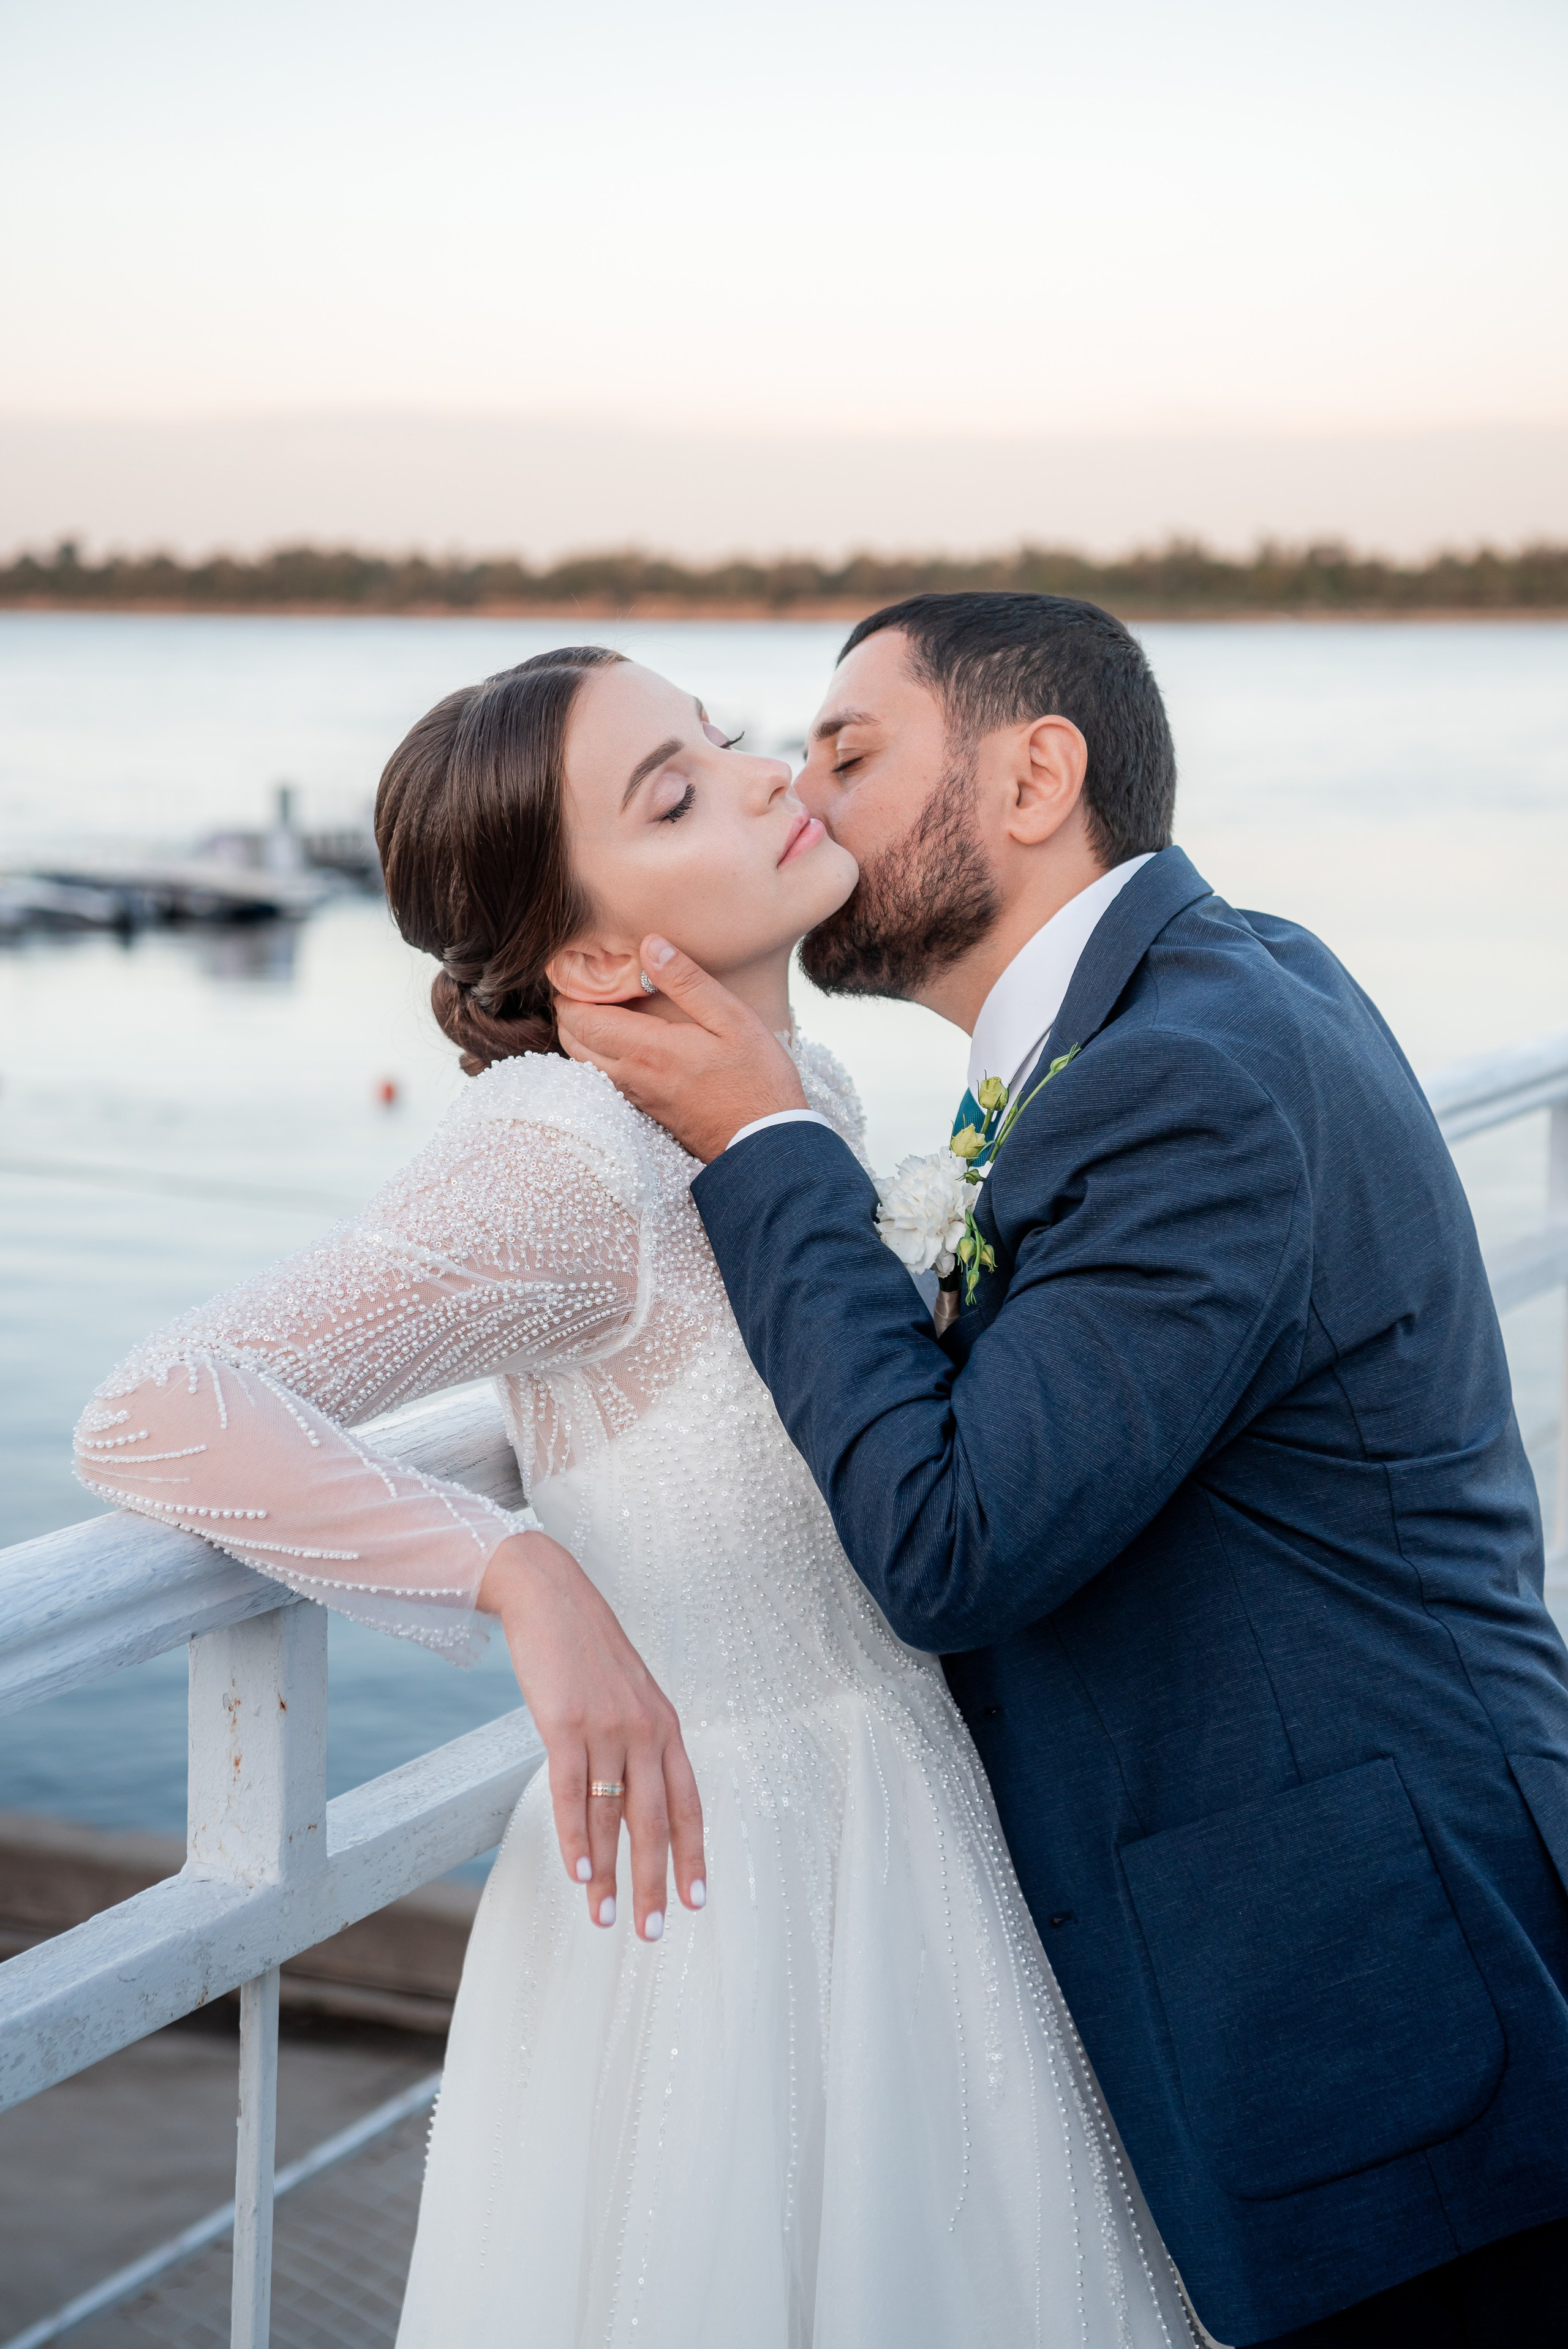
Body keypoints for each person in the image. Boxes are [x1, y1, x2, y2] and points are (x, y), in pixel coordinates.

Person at [75, 647, 1203, 2348]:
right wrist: (513, 1566)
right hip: (717, 1898)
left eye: (725, 739)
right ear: (595, 954)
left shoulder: (797, 1100)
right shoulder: (566, 1157)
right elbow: (158, 1407)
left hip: (911, 1842)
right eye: (675, 791)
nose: (766, 774)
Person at [557, 593, 1568, 2349]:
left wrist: (770, 1137)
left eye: (854, 752)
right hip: (1348, 1960)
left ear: (1036, 777)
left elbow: (955, 1541)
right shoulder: (1215, 984)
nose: (800, 784)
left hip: (1385, 2021)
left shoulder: (1182, 1079)